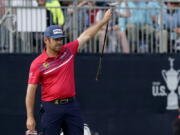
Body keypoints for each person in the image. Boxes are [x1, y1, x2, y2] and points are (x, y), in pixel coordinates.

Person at [25, 9, 112, 135]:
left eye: (61, 39)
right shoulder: (37, 63)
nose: (60, 42)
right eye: (56, 39)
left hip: (71, 105)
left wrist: (103, 21)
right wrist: (30, 116)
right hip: (51, 107)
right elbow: (30, 91)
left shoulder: (68, 51)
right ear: (46, 40)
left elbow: (86, 35)